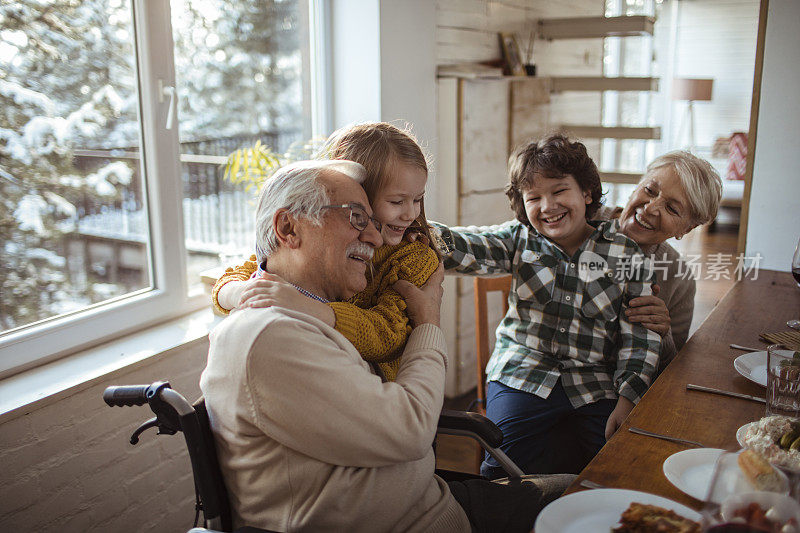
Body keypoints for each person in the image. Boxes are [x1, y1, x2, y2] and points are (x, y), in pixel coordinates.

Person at [200, 159, 571, 532]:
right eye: (357, 218)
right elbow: (411, 431)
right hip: (421, 521)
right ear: (288, 227)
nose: (377, 239)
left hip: (431, 501)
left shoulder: (307, 314)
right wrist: (427, 321)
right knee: (589, 501)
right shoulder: (271, 337)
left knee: (582, 492)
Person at [431, 135, 662, 477]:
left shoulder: (627, 253)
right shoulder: (518, 240)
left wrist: (629, 397)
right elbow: (466, 245)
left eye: (558, 191)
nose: (547, 206)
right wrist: (420, 229)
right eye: (533, 197)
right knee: (502, 464)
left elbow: (639, 338)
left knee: (617, 466)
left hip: (595, 381)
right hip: (522, 372)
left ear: (586, 193)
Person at [212, 122, 440, 381]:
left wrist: (313, 309)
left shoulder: (413, 258)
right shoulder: (325, 244)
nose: (411, 213)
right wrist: (247, 293)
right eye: (396, 202)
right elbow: (243, 272)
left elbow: (388, 333)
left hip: (375, 383)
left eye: (417, 199)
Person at [598, 150, 723, 369]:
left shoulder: (678, 277)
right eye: (649, 190)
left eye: (672, 208)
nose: (650, 208)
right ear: (637, 185)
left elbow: (671, 370)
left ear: (687, 228)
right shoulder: (577, 220)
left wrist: (662, 335)